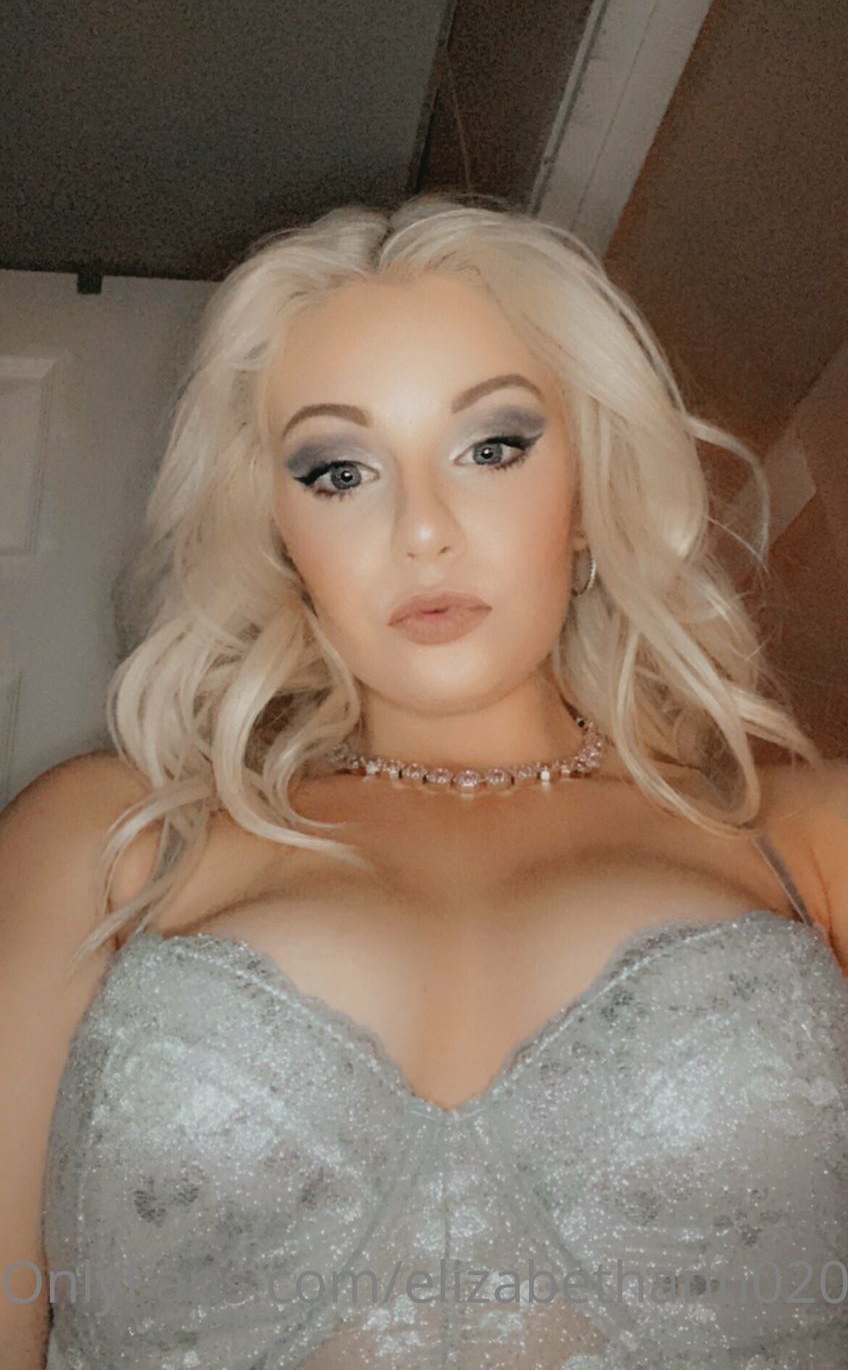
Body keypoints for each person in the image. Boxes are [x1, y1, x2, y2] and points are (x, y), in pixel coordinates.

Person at [2, 194, 847, 1369]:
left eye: (491, 448)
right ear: (278, 534)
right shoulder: (105, 840)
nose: (422, 531)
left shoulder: (806, 841)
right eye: (339, 471)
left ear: (588, 494)